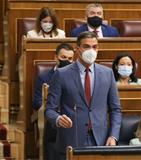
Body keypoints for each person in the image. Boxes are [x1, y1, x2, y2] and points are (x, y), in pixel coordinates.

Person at [45, 31, 122, 159]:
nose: (91, 50)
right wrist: (58, 119)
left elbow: (115, 109)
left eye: (94, 47)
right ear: (77, 49)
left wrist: (113, 136)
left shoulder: (107, 73)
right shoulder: (61, 74)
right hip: (71, 138)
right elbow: (49, 110)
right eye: (86, 46)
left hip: (100, 140)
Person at [32, 43, 74, 160]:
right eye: (63, 57)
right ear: (56, 57)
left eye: (70, 59)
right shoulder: (44, 77)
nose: (67, 61)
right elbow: (37, 101)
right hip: (53, 116)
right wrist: (54, 111)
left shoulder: (76, 76)